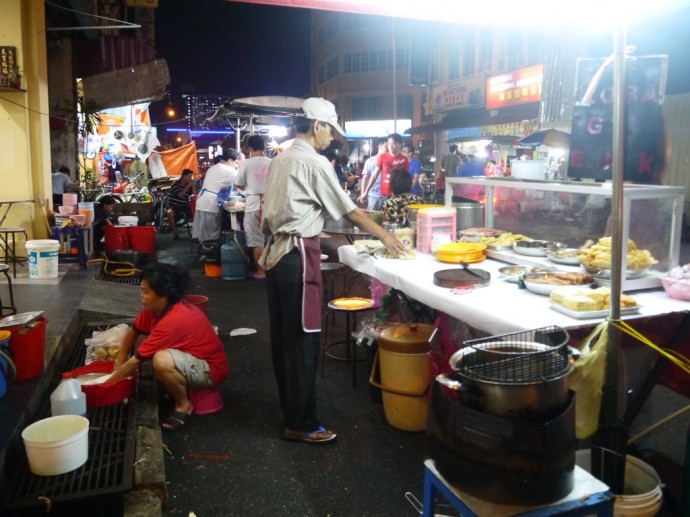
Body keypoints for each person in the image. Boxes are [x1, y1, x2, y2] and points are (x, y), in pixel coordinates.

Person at [259, 98, 406, 445]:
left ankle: (291, 409)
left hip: (277, 256)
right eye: (331, 130)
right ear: (317, 126)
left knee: (285, 339)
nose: (333, 139)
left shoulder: (280, 159)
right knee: (303, 339)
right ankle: (301, 422)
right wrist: (386, 235)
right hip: (297, 255)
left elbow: (290, 208)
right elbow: (350, 211)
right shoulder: (315, 161)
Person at [109, 262, 229, 432]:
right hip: (191, 360)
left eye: (145, 292)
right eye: (141, 291)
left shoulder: (174, 319)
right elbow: (133, 332)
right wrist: (118, 362)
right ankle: (172, 386)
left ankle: (183, 405)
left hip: (211, 371)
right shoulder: (154, 308)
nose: (141, 296)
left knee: (161, 360)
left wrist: (106, 383)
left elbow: (135, 361)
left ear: (162, 296)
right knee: (144, 342)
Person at [236, 135, 271, 279]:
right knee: (271, 239)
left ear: (249, 148)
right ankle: (272, 271)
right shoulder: (273, 162)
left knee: (257, 240)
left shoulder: (246, 164)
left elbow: (239, 183)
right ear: (265, 146)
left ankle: (261, 272)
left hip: (254, 205)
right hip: (272, 204)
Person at [193, 148, 240, 243]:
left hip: (203, 202)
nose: (237, 165)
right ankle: (209, 254)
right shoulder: (228, 170)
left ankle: (204, 253)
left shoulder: (214, 167)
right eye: (236, 162)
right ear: (230, 160)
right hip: (209, 204)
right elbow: (243, 181)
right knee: (211, 233)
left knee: (204, 232)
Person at [358, 133, 408, 205]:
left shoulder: (404, 159)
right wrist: (366, 192)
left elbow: (406, 178)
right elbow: (374, 175)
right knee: (380, 215)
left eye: (393, 143)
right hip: (384, 194)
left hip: (399, 194)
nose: (391, 146)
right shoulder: (383, 157)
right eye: (389, 143)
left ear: (399, 144)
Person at [358, 138, 387, 210]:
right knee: (372, 216)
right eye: (386, 147)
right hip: (373, 195)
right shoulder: (370, 161)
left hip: (386, 195)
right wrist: (363, 193)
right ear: (379, 147)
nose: (388, 149)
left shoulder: (389, 161)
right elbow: (364, 178)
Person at [167, 169, 195, 240]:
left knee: (196, 212)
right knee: (170, 213)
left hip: (185, 205)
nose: (191, 178)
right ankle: (175, 233)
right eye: (190, 176)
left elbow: (194, 195)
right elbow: (180, 195)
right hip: (174, 206)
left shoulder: (189, 185)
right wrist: (188, 186)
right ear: (184, 176)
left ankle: (196, 233)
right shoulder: (175, 184)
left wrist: (193, 185)